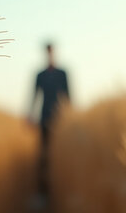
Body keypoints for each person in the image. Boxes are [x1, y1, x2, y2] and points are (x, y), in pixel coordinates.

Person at [30, 43, 70, 198]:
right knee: (44, 156)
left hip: (60, 121)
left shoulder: (63, 73)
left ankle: (60, 190)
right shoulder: (40, 75)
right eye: (47, 52)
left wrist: (70, 118)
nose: (49, 55)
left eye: (51, 52)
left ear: (55, 53)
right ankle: (44, 193)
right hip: (44, 119)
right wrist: (30, 116)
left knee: (60, 155)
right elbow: (34, 96)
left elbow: (68, 96)